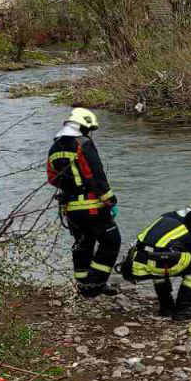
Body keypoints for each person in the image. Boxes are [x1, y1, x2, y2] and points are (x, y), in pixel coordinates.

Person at [46, 107, 121, 298]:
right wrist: (110, 200)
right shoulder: (82, 144)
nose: (90, 134)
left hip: (70, 209)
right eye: (89, 129)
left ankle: (82, 284)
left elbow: (52, 179)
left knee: (83, 243)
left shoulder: (54, 147)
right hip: (92, 206)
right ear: (82, 126)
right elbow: (95, 174)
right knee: (111, 241)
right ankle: (95, 284)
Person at [120, 201, 191, 320]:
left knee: (161, 256)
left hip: (132, 265)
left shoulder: (166, 216)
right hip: (150, 266)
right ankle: (184, 309)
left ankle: (166, 306)